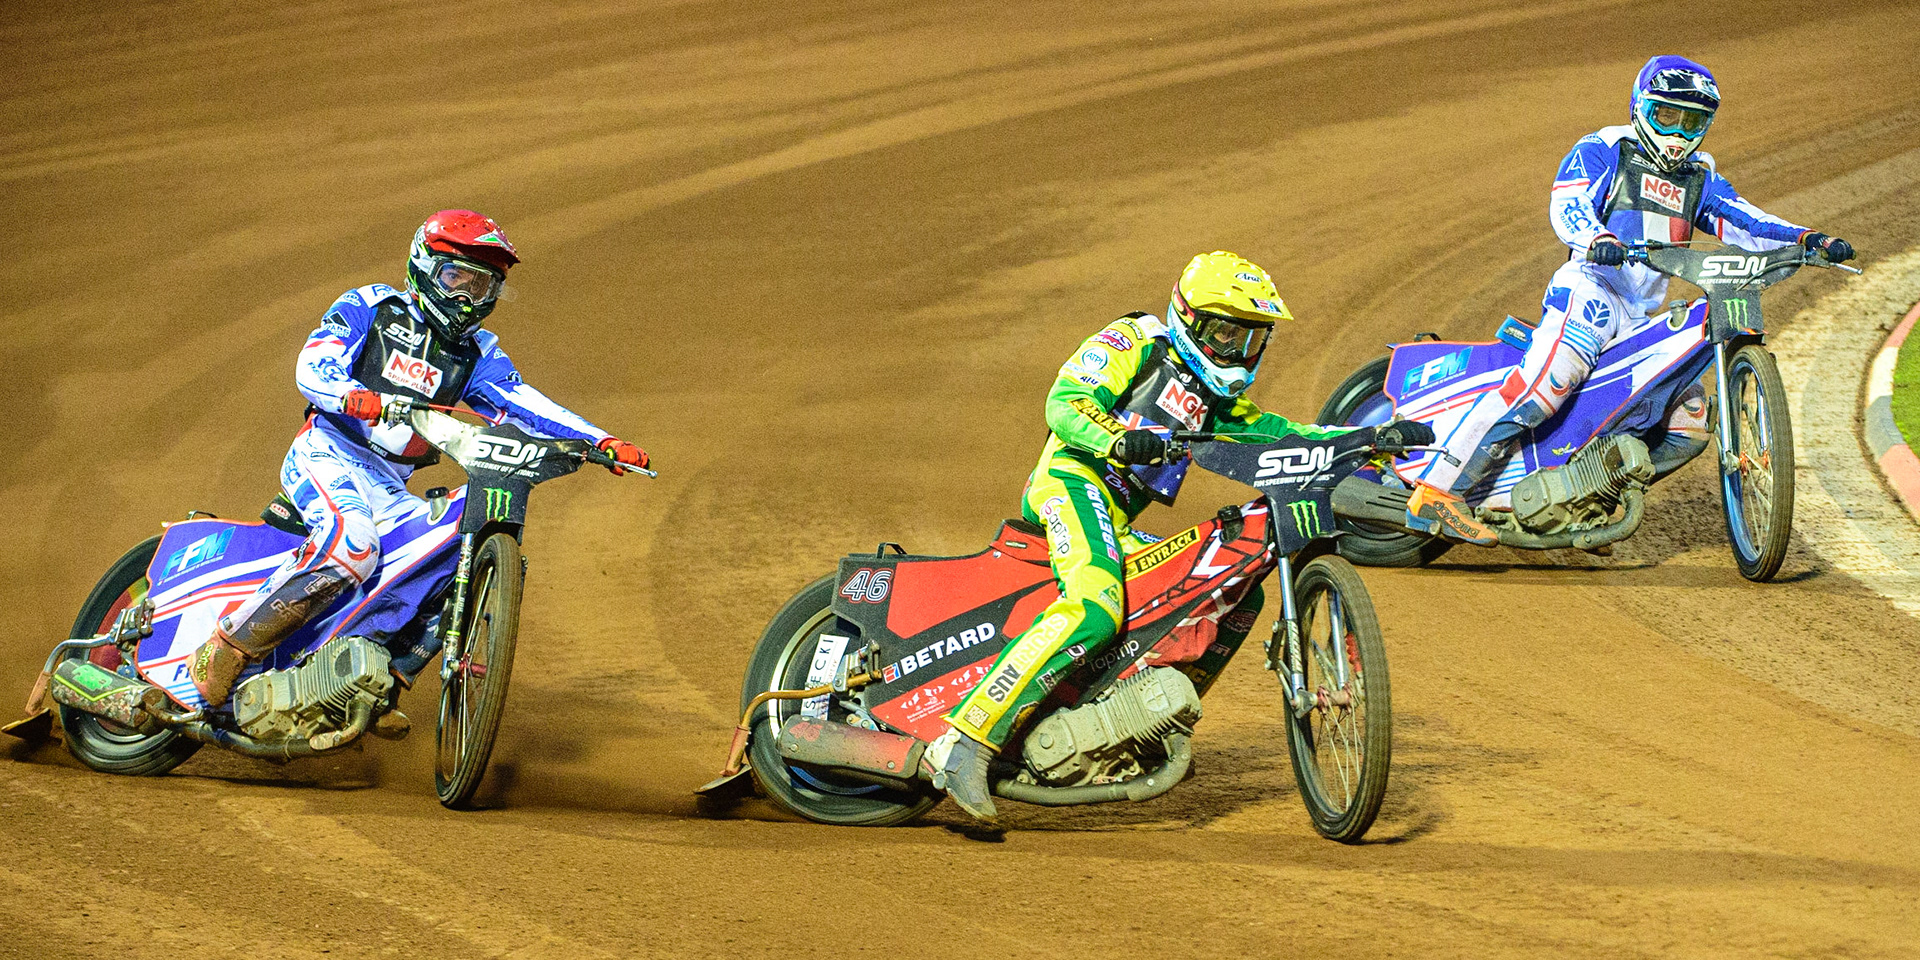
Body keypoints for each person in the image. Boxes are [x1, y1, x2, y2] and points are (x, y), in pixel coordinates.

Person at [920, 251, 1429, 823]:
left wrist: (1371, 437)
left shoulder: (1219, 402)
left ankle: (1143, 728)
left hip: (1117, 524)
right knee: (1095, 606)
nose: (1237, 352)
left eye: (1251, 339)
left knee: (1235, 588)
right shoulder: (1135, 341)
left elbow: (1290, 435)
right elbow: (1064, 404)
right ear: (1188, 319)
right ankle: (962, 740)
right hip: (1073, 482)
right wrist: (1115, 438)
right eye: (1226, 333)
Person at [187, 210, 649, 707]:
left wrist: (602, 441)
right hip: (329, 451)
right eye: (456, 278)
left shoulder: (478, 353)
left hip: (388, 481)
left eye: (483, 286)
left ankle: (368, 683)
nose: (466, 297)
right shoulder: (374, 305)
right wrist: (349, 396)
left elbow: (525, 403)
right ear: (424, 266)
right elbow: (313, 363)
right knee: (354, 546)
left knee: (451, 549)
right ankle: (226, 647)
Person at [1406, 55, 1854, 543]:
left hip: (1639, 314)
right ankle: (1438, 491)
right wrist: (1596, 235)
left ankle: (1586, 498)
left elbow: (1747, 221)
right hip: (1590, 291)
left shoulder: (1700, 176)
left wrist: (1808, 240)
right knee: (1546, 384)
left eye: (1694, 121)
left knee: (1689, 421)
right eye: (1669, 116)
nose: (1680, 133)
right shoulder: (1605, 148)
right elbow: (1568, 201)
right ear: (1642, 108)